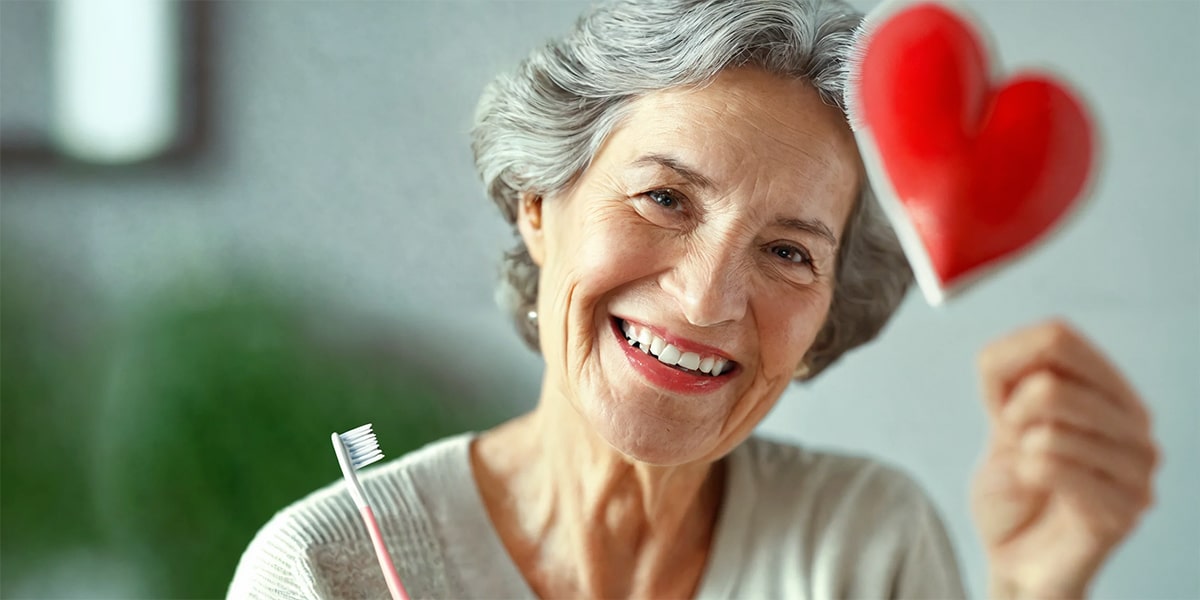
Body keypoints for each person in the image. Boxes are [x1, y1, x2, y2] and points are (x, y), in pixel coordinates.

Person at [229, 0, 1160, 597]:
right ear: (540, 207)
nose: (709, 299)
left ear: (832, 306)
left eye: (790, 251)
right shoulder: (324, 570)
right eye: (664, 199)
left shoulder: (862, 546)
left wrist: (1033, 591)